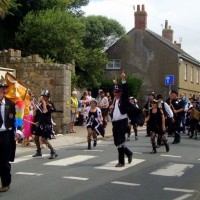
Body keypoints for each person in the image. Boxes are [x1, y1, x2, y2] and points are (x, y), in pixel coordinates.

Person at [0, 77, 23, 192]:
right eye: (1, 88)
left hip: (6, 135)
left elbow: (18, 118)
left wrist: (18, 131)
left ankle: (5, 183)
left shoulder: (11, 103)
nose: (4, 91)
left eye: (5, 89)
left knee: (4, 161)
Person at [109, 71, 133, 167]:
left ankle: (121, 162)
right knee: (116, 142)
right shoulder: (115, 100)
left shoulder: (123, 99)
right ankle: (128, 153)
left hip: (123, 121)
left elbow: (126, 90)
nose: (116, 93)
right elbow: (115, 87)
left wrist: (123, 79)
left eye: (118, 92)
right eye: (115, 92)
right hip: (115, 122)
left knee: (120, 141)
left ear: (121, 93)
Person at [32, 90, 58, 159]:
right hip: (40, 123)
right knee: (36, 137)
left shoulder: (50, 104)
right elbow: (38, 114)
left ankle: (53, 151)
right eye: (42, 96)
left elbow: (45, 112)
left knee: (43, 139)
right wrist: (37, 120)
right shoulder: (40, 104)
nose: (43, 98)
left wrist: (43, 104)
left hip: (47, 124)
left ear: (47, 97)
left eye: (44, 96)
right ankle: (39, 151)